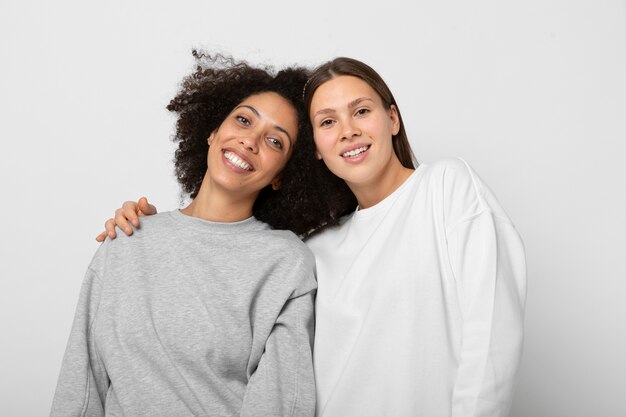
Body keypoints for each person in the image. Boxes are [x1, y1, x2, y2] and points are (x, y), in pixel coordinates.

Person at [99, 57, 527, 417]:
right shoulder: (313, 249)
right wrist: (152, 231)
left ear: (392, 119)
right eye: (327, 121)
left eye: (361, 111)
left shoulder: (446, 187)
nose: (348, 130)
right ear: (316, 151)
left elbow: (490, 340)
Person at [50, 52, 334, 417]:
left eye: (275, 142)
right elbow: (82, 385)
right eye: (243, 120)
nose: (250, 141)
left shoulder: (285, 262)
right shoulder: (126, 239)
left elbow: (282, 402)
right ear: (213, 132)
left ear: (283, 175)